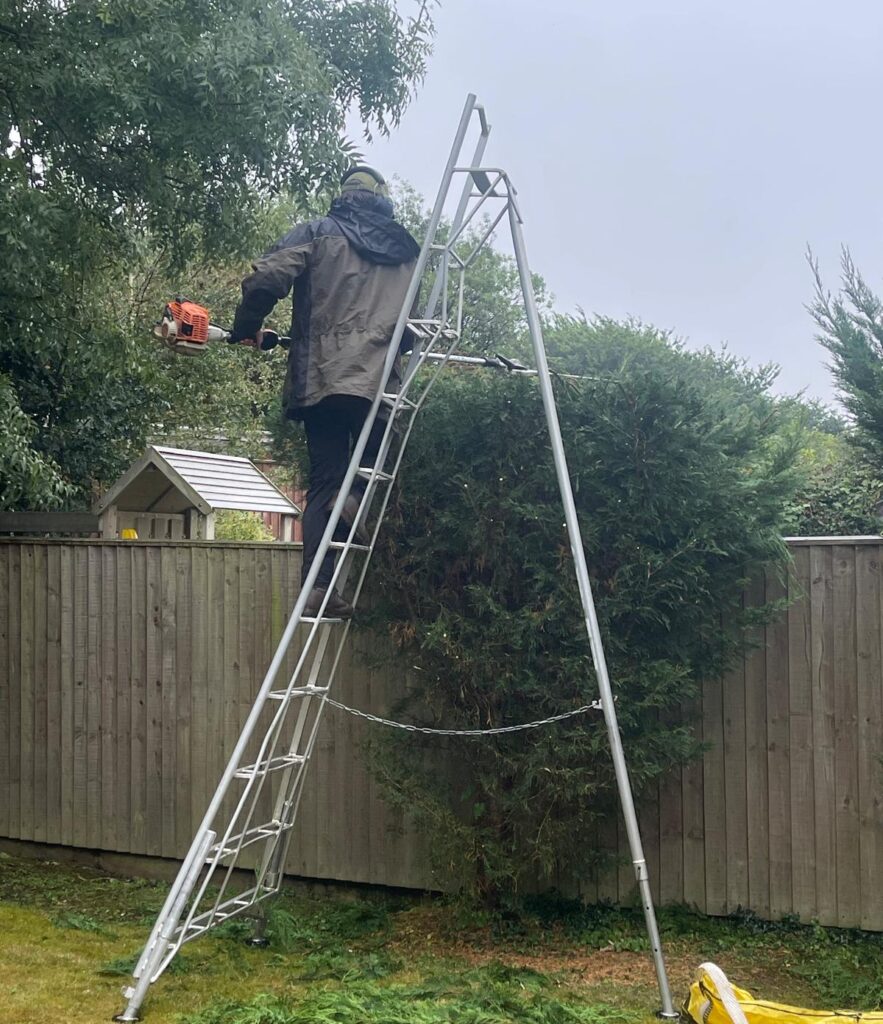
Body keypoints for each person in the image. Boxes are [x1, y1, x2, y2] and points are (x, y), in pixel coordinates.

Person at [229, 167, 420, 619]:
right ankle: (355, 496)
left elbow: (266, 277)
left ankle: (318, 588)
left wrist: (247, 328)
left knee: (324, 484)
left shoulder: (319, 232)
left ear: (345, 195)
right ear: (382, 199)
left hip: (323, 379)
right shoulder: (406, 253)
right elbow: (410, 331)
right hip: (378, 385)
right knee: (366, 472)